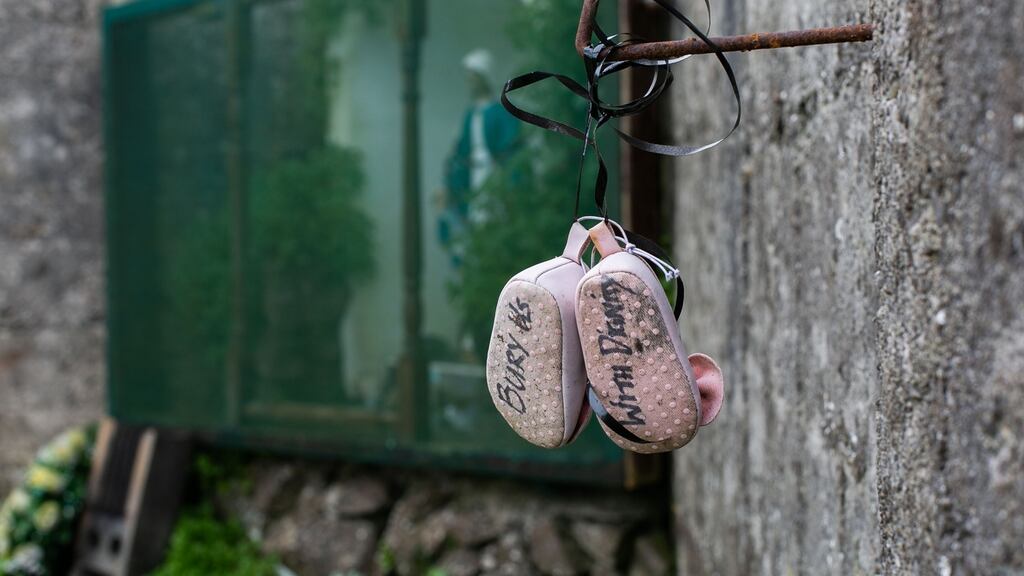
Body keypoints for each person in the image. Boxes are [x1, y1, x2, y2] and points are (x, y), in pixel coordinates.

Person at [438, 49, 521, 266]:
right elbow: (460, 151)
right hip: (472, 175)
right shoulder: (470, 114)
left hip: (491, 174)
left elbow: (511, 148)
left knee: (491, 218)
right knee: (470, 221)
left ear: (484, 78)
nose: (470, 82)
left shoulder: (499, 112)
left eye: (474, 77)